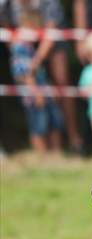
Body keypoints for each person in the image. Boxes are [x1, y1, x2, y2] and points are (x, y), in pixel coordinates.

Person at [0, 0, 83, 153]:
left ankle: (73, 140)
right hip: (22, 38)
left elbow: (52, 30)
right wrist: (22, 56)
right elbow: (6, 29)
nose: (21, 0)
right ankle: (42, 149)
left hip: (49, 36)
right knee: (32, 97)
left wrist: (35, 61)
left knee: (61, 81)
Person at [9, 8, 63, 153]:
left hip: (41, 90)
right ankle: (42, 155)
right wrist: (36, 92)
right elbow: (26, 74)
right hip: (33, 94)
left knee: (51, 121)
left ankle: (54, 155)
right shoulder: (21, 48)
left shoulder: (29, 48)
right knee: (38, 125)